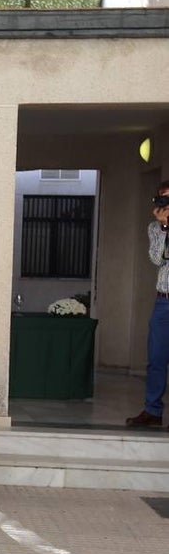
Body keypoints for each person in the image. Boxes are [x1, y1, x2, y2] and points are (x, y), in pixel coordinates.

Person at [126, 180, 169, 427]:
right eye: (162, 198)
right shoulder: (155, 228)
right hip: (163, 301)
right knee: (156, 358)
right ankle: (152, 410)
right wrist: (164, 226)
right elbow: (156, 258)